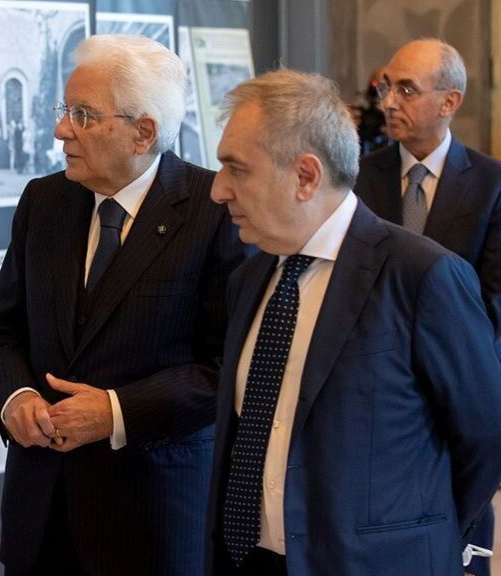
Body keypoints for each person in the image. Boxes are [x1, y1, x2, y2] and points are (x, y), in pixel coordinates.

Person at [206, 68, 501, 576]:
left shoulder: (422, 276)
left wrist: (417, 535)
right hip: (247, 560)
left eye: (237, 169)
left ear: (305, 176)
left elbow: (485, 436)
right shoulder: (250, 277)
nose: (218, 190)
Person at [0, 35, 246, 576]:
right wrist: (17, 397)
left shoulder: (215, 210)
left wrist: (116, 412)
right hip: (42, 516)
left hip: (153, 521)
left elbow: (230, 369)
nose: (60, 130)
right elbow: (0, 337)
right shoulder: (43, 201)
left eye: (82, 115)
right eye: (64, 110)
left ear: (143, 131)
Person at [355, 40, 501, 572]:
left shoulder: (490, 184)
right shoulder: (355, 175)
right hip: (373, 392)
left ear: (449, 102)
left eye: (407, 90)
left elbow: (493, 303)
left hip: (457, 389)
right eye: (386, 87)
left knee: (456, 541)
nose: (390, 100)